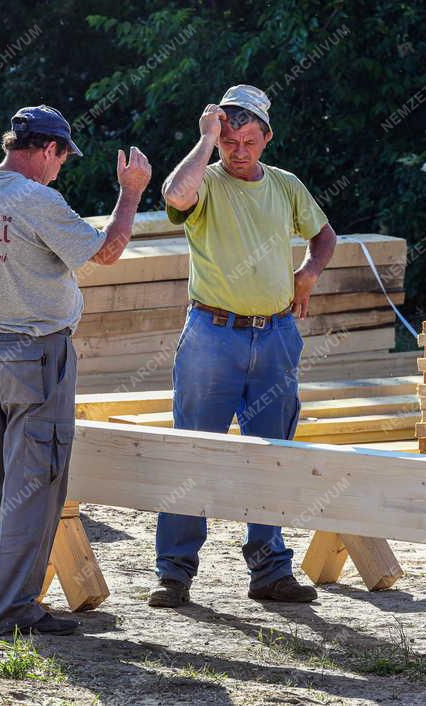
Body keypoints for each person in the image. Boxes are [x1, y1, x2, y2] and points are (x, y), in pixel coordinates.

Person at [0, 105, 151, 636]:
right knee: (35, 485)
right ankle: (12, 612)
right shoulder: (37, 199)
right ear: (48, 149)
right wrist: (130, 192)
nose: (62, 169)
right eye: (62, 157)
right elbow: (106, 252)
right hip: (36, 353)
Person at [152, 84, 338, 608]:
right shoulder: (205, 180)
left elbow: (325, 236)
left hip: (276, 333)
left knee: (273, 455)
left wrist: (308, 273)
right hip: (213, 334)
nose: (239, 151)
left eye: (249, 141)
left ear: (266, 139)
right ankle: (175, 573)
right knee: (193, 451)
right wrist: (205, 139)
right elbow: (174, 196)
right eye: (230, 140)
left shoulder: (284, 186)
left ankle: (270, 569)